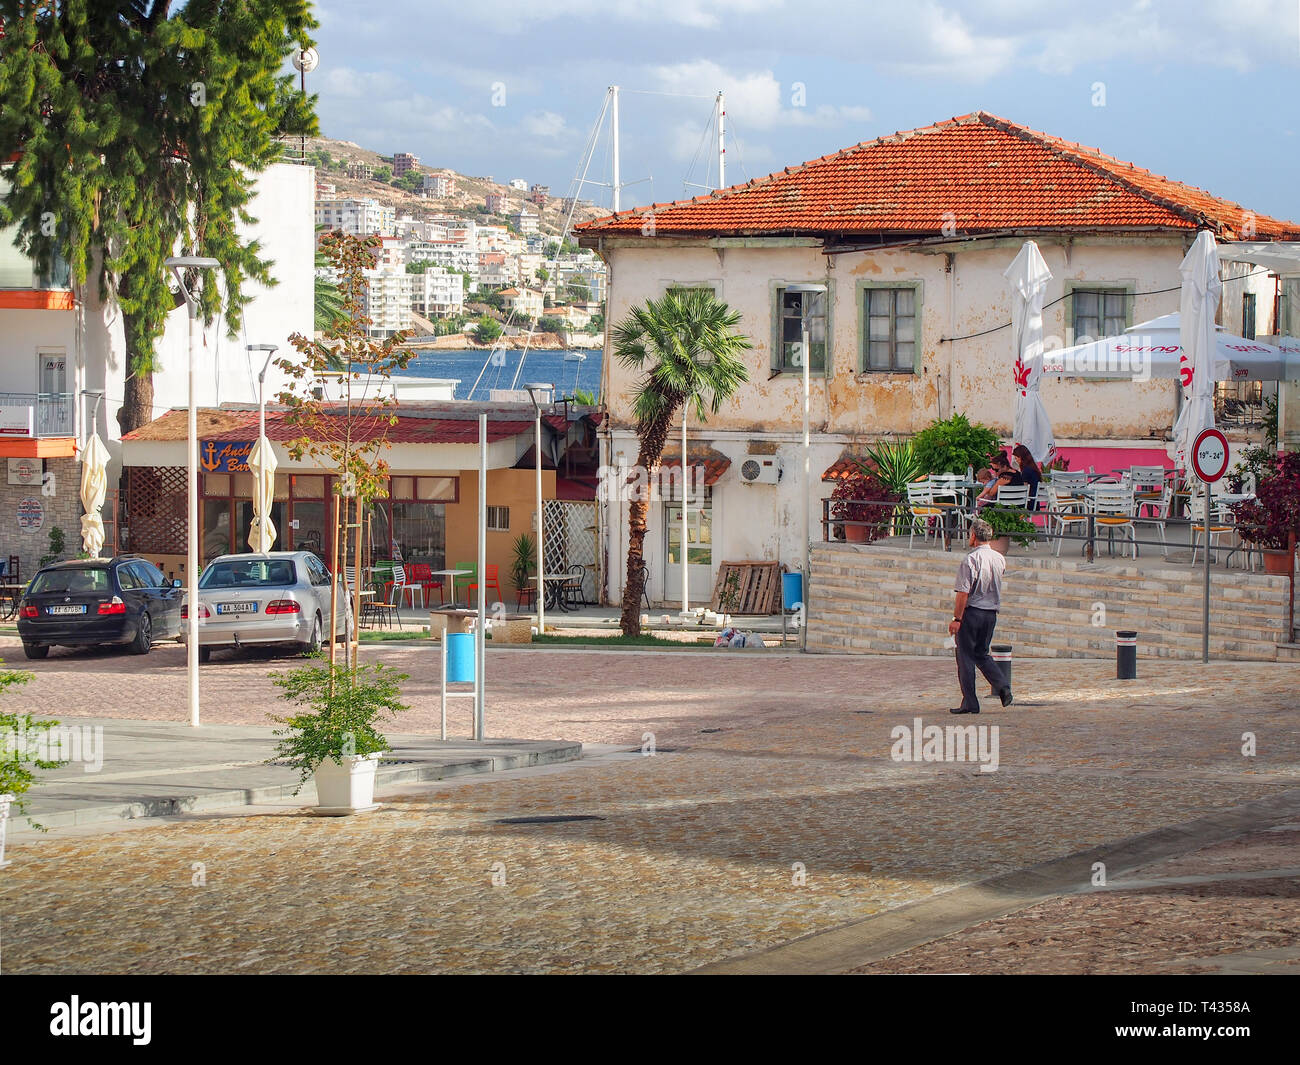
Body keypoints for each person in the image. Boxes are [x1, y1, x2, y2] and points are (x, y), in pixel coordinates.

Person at [948, 517, 1013, 714]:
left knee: (965, 657)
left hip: (973, 612)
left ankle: (970, 701)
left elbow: (963, 593)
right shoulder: (999, 558)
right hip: (991, 613)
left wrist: (957, 619)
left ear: (974, 536)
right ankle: (1002, 686)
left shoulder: (970, 559)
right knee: (982, 653)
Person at [1010, 444, 1043, 509]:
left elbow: (1024, 489)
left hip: (1028, 504)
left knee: (1006, 504)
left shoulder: (1026, 471)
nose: (1016, 460)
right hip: (1035, 503)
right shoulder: (1033, 469)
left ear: (1021, 457)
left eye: (1016, 458)